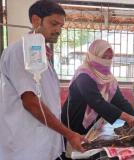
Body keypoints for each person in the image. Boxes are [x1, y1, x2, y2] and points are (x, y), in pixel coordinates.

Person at [0, 1, 87, 160]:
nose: (58, 30)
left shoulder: (40, 55)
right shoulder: (20, 51)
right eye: (54, 24)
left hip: (42, 146)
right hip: (25, 149)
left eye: (61, 26)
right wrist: (69, 134)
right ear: (35, 20)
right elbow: (31, 102)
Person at [61, 39, 134, 135]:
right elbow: (97, 102)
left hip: (94, 126)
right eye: (103, 57)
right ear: (93, 56)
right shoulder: (83, 75)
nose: (106, 61)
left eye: (110, 58)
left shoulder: (109, 79)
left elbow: (120, 102)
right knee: (75, 149)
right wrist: (127, 117)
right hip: (74, 125)